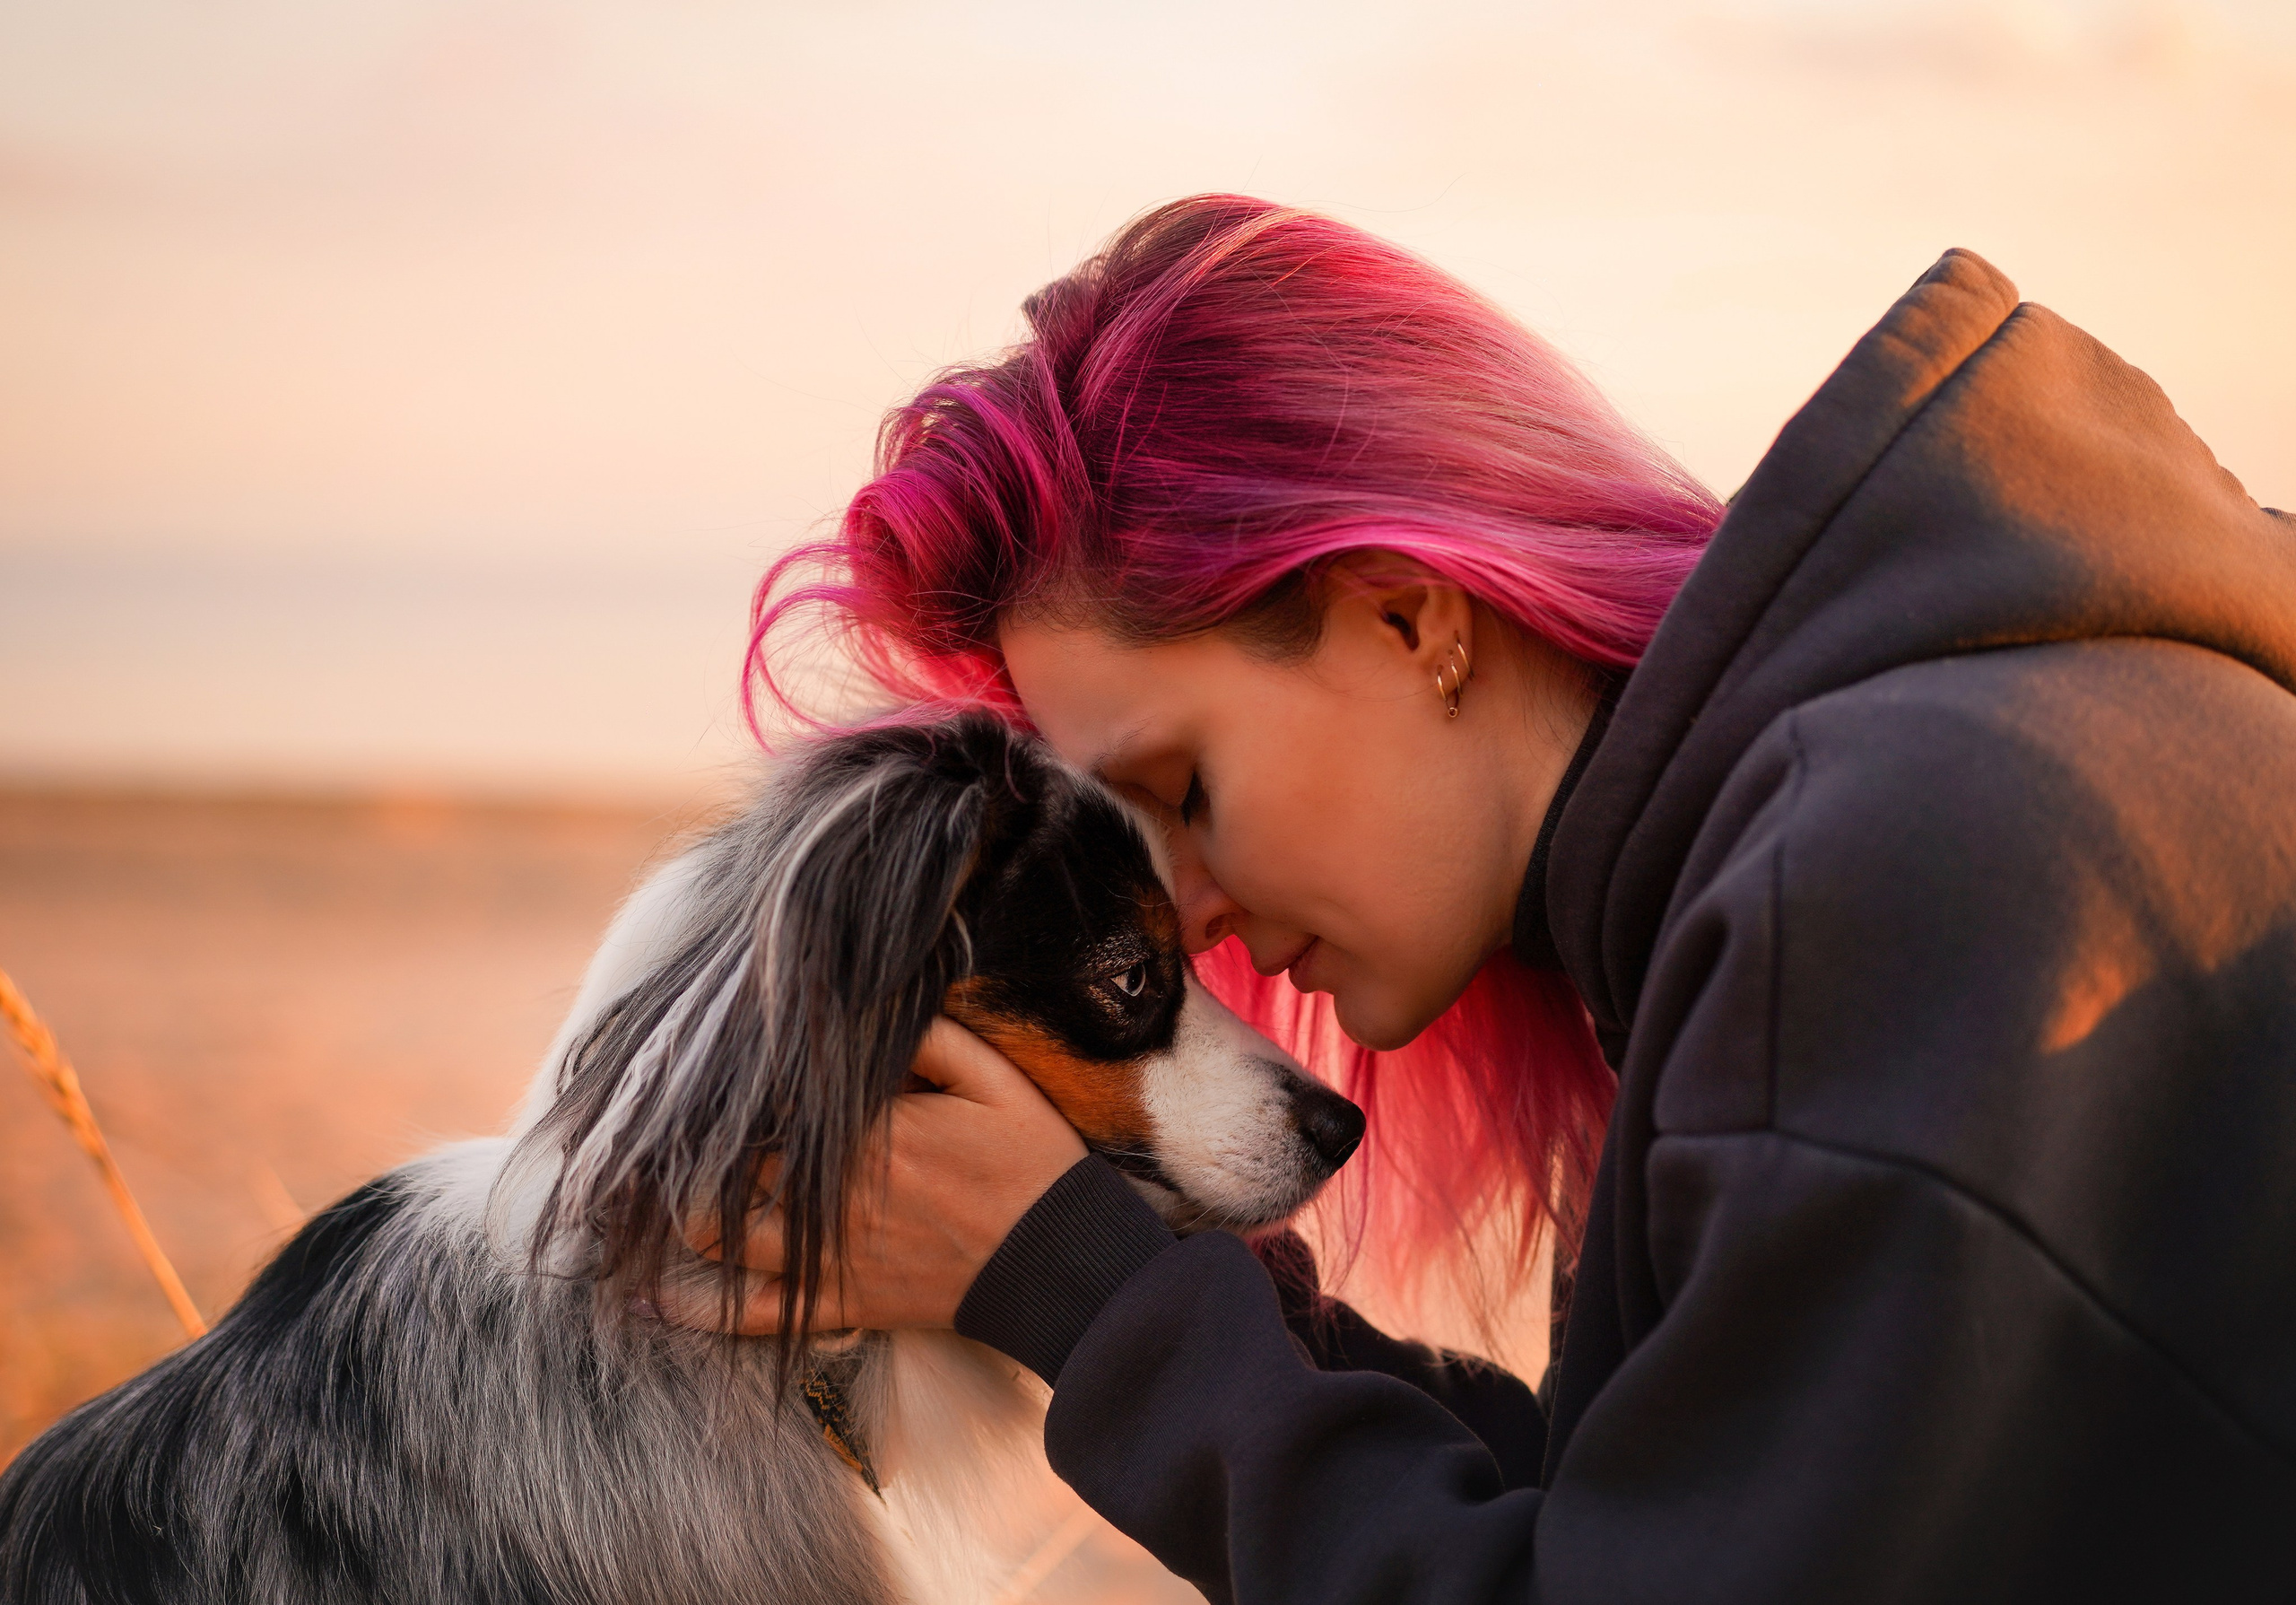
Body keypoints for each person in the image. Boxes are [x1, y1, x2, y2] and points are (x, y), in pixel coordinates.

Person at [692, 196, 2296, 1601]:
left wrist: (1088, 1295)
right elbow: (1678, 1524)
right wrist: (1202, 1299)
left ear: (1405, 616)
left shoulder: (1883, 879)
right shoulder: (1926, 778)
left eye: (1184, 788)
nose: (1191, 919)